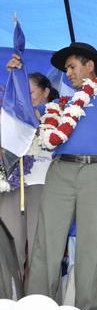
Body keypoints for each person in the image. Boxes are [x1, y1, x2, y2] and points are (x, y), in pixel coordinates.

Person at [25, 40, 97, 310]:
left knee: (93, 245)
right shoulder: (61, 104)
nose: (68, 73)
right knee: (47, 242)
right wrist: (17, 74)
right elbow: (26, 110)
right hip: (61, 170)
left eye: (72, 66)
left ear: (90, 65)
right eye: (66, 69)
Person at [0, 66, 59, 278]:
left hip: (43, 185)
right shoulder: (10, 114)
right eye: (21, 92)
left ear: (46, 92)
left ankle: (42, 302)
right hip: (11, 185)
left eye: (31, 92)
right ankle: (7, 299)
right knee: (9, 247)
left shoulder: (57, 113)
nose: (26, 97)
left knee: (40, 248)